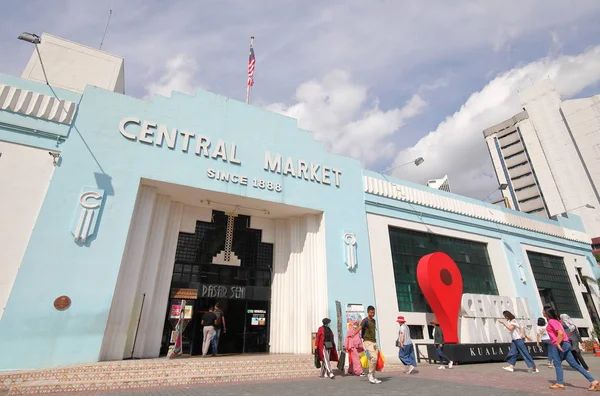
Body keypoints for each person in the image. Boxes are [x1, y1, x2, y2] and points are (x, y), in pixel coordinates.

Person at [544, 306, 599, 390]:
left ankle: (559, 383)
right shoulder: (556, 321)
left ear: (547, 312)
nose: (542, 312)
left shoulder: (552, 321)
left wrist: (558, 344)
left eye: (543, 311)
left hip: (560, 343)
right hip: (566, 343)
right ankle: (593, 381)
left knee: (557, 363)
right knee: (574, 364)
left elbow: (560, 333)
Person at [356, 306, 382, 384]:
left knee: (372, 359)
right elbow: (359, 328)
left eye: (373, 312)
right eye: (371, 312)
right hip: (367, 341)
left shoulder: (373, 321)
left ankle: (373, 376)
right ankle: (370, 374)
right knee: (374, 357)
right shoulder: (365, 321)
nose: (373, 314)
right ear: (368, 312)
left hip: (374, 342)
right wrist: (353, 334)